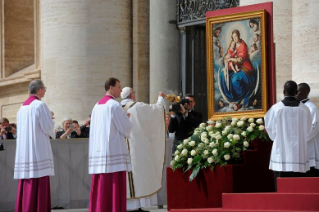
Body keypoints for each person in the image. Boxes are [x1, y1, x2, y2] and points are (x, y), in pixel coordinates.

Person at [89, 77, 132, 212]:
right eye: (119, 87)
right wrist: (127, 118)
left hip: (99, 151)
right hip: (113, 151)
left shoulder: (97, 105)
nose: (120, 90)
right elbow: (125, 128)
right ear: (111, 88)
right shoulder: (114, 105)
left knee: (101, 184)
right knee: (113, 185)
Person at [120, 87, 166, 212]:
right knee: (140, 175)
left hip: (121, 148)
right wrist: (161, 98)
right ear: (132, 95)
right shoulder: (138, 106)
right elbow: (156, 110)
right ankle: (138, 206)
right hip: (137, 147)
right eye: (134, 93)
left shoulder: (117, 108)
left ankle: (127, 206)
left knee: (126, 176)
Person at [14, 79, 55, 212]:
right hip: (37, 150)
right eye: (44, 88)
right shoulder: (39, 105)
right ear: (38, 90)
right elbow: (48, 127)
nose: (44, 91)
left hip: (25, 151)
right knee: (39, 177)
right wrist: (50, 118)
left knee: (28, 178)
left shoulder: (22, 106)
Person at [264, 81, 312, 191]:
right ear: (296, 92)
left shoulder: (276, 108)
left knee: (281, 186)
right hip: (299, 154)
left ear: (283, 92)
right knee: (298, 187)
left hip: (281, 153)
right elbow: (308, 128)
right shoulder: (304, 109)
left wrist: (278, 139)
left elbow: (269, 128)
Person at [221, 29, 256, 109]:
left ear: (239, 35)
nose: (235, 38)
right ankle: (233, 98)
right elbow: (228, 54)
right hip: (236, 66)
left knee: (235, 80)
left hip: (245, 68)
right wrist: (227, 58)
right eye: (233, 37)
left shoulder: (243, 45)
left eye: (236, 36)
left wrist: (230, 59)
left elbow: (240, 60)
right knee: (224, 76)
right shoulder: (233, 44)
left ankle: (241, 98)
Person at [296, 83, 319, 177]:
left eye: (297, 91)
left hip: (309, 147)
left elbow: (314, 129)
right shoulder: (296, 107)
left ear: (305, 92)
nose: (295, 94)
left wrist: (298, 140)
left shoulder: (312, 108)